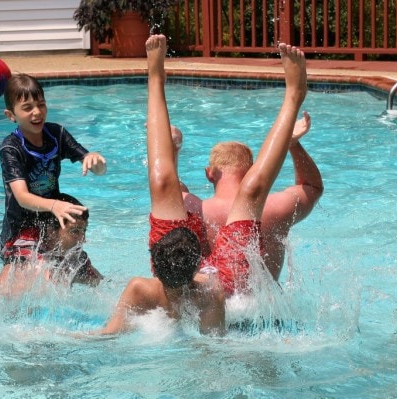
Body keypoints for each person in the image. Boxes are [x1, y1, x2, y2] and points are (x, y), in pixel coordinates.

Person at [96, 34, 308, 335]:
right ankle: (293, 95)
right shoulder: (214, 294)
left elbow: (104, 336)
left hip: (176, 269)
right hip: (227, 280)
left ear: (152, 260)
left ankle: (155, 78)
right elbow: (213, 352)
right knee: (252, 191)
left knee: (162, 182)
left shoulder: (141, 288)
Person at [182, 111, 323, 280]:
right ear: (251, 173)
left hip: (208, 303)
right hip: (262, 304)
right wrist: (292, 144)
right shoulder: (274, 208)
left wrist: (173, 148)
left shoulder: (193, 210)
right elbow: (312, 186)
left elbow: (166, 190)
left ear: (209, 174)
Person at [0, 73, 107, 268]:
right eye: (27, 108)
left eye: (41, 104)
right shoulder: (11, 148)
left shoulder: (56, 134)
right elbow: (22, 197)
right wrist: (55, 205)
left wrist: (95, 160)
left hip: (50, 223)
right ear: (11, 115)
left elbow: (98, 170)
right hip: (20, 229)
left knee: (81, 267)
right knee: (42, 269)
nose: (37, 112)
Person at [0, 193, 103, 299]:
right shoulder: (25, 254)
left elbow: (103, 284)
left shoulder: (75, 255)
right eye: (75, 231)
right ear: (51, 230)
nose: (83, 240)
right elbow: (2, 294)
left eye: (84, 231)